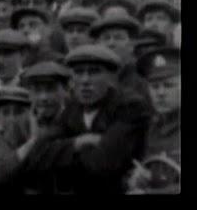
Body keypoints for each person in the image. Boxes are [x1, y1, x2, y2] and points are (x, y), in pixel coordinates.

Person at [24, 45, 151, 194]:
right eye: (79, 72)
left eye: (94, 72)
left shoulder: (129, 106)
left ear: (110, 77)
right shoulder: (72, 109)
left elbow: (103, 164)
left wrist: (59, 158)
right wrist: (78, 142)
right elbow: (36, 156)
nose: (85, 80)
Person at [0, 61, 71, 194]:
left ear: (65, 90)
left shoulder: (75, 120)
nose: (43, 97)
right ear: (29, 94)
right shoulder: (20, 125)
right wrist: (32, 142)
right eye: (37, 90)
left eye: (50, 89)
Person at [127, 46, 180, 194]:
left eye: (169, 85)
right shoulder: (153, 127)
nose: (161, 93)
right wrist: (141, 178)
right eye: (154, 86)